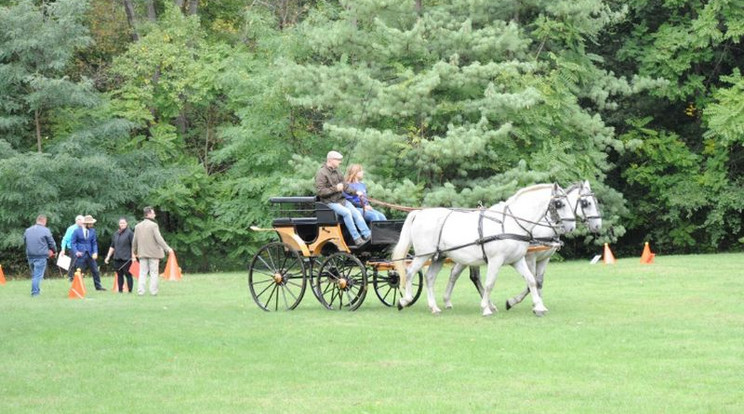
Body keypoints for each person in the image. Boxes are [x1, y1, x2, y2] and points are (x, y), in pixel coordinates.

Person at [315, 150, 371, 247]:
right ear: (330, 160)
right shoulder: (321, 173)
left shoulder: (338, 171)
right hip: (330, 202)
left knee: (357, 213)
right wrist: (335, 188)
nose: (340, 162)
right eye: (338, 160)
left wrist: (355, 192)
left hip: (341, 200)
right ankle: (357, 238)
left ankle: (367, 235)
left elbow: (345, 186)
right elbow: (320, 192)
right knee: (347, 213)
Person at [132, 206, 171, 296]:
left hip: (142, 253)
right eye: (153, 213)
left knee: (142, 273)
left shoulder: (137, 226)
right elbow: (159, 239)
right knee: (154, 273)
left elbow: (134, 241)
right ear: (148, 214)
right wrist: (167, 248)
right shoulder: (153, 225)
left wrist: (134, 252)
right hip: (154, 253)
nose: (155, 214)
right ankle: (153, 292)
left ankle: (141, 291)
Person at [24, 215, 57, 297]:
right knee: (37, 275)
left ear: (37, 220)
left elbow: (25, 241)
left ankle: (36, 290)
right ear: (44, 221)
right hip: (41, 256)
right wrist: (54, 251)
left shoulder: (28, 230)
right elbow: (51, 243)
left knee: (34, 274)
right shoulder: (45, 230)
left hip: (30, 255)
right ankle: (35, 293)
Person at [71, 214, 106, 291]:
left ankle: (98, 287)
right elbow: (73, 243)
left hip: (90, 254)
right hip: (80, 255)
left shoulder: (93, 231)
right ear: (85, 223)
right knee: (79, 272)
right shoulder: (76, 231)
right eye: (90, 223)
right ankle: (78, 288)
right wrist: (76, 252)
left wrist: (95, 252)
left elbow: (94, 243)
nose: (92, 225)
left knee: (95, 271)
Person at [104, 217, 134, 293]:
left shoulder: (130, 233)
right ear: (119, 224)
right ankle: (120, 290)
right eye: (121, 223)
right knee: (119, 274)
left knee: (128, 274)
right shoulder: (116, 234)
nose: (122, 224)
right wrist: (108, 257)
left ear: (126, 223)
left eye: (123, 223)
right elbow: (112, 246)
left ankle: (130, 291)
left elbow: (134, 246)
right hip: (117, 258)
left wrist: (133, 256)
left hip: (127, 258)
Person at [60, 215, 83, 281]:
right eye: (81, 221)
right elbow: (65, 239)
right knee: (73, 263)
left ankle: (79, 276)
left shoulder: (84, 228)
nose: (83, 222)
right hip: (72, 248)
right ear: (77, 221)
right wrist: (63, 249)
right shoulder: (71, 228)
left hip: (81, 248)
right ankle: (71, 277)